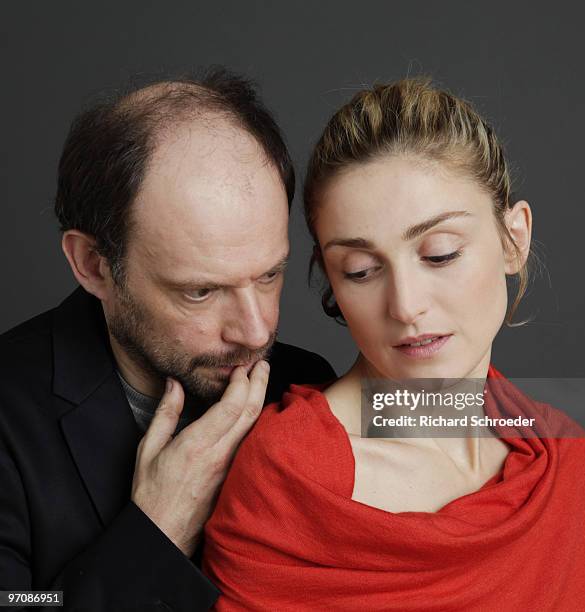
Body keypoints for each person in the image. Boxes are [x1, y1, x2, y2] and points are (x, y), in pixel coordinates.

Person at [203, 78, 585, 610]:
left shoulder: (561, 460)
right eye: (361, 271)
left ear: (515, 239)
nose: (405, 306)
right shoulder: (290, 475)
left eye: (439, 254)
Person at [0, 68, 335, 611]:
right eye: (201, 291)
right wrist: (157, 531)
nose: (256, 331)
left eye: (270, 275)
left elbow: (476, 414)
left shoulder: (303, 379)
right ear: (94, 266)